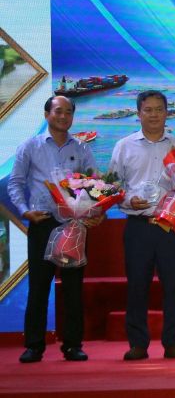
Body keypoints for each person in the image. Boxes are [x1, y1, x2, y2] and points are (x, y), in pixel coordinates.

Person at [9, 96, 96, 363]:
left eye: (68, 112)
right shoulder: (30, 146)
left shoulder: (82, 148)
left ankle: (72, 345)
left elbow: (94, 184)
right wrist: (24, 211)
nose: (63, 116)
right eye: (58, 111)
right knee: (39, 286)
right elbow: (15, 182)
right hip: (42, 222)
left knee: (72, 287)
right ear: (47, 114)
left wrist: (93, 210)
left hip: (73, 225)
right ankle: (34, 345)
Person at [109, 90, 175, 360]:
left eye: (159, 109)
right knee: (137, 284)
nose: (154, 114)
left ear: (167, 113)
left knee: (174, 285)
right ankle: (137, 344)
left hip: (171, 227)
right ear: (138, 113)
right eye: (148, 110)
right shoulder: (124, 146)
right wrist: (128, 201)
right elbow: (113, 186)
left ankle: (174, 343)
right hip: (138, 226)